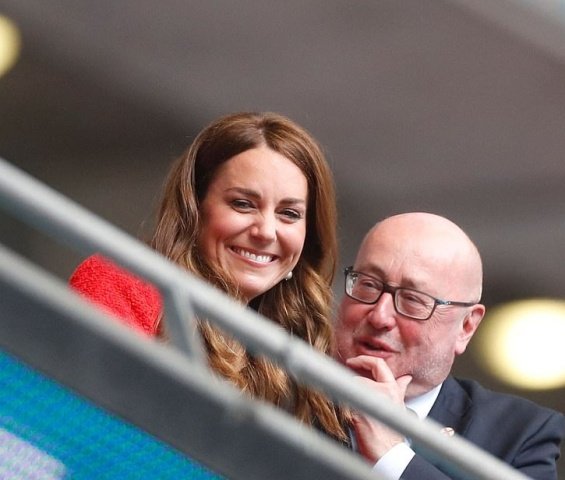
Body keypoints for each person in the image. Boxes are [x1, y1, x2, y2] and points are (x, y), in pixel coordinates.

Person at [69, 111, 349, 443]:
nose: (265, 232)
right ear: (195, 208)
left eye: (289, 214)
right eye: (243, 204)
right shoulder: (121, 280)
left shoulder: (303, 354)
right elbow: (91, 435)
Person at [334, 212, 565, 479]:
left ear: (466, 327)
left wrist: (392, 457)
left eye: (413, 300)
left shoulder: (520, 434)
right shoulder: (286, 387)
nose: (379, 316)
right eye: (368, 285)